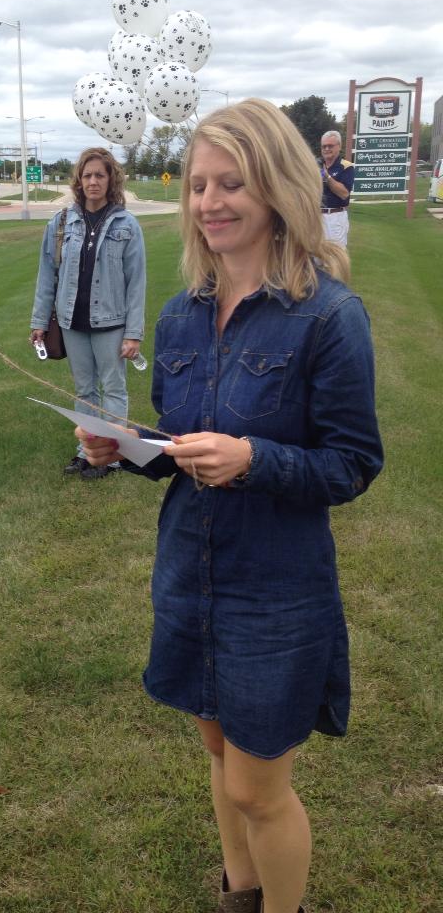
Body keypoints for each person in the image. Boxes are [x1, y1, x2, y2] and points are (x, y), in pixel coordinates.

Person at [76, 99, 383, 913]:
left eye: (231, 183)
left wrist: (254, 460)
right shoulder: (179, 315)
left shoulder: (328, 317)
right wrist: (129, 445)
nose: (209, 201)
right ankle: (239, 894)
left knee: (258, 787)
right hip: (189, 573)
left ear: (278, 185)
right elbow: (180, 446)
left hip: (275, 590)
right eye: (198, 183)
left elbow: (353, 465)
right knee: (217, 754)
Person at [30, 147, 146, 479]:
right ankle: (87, 452)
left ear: (111, 180)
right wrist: (40, 322)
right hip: (71, 322)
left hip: (111, 322)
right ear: (79, 181)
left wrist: (133, 332)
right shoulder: (61, 223)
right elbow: (46, 276)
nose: (93, 181)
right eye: (87, 175)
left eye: (100, 175)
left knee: (112, 388)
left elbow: (136, 282)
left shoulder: (127, 225)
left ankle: (112, 456)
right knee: (84, 391)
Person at [319, 129, 355, 247]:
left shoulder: (345, 166)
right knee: (315, 258)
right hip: (316, 217)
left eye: (330, 146)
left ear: (339, 146)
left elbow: (344, 193)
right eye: (324, 146)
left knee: (334, 259)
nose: (326, 149)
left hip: (335, 217)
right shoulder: (316, 165)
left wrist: (326, 176)